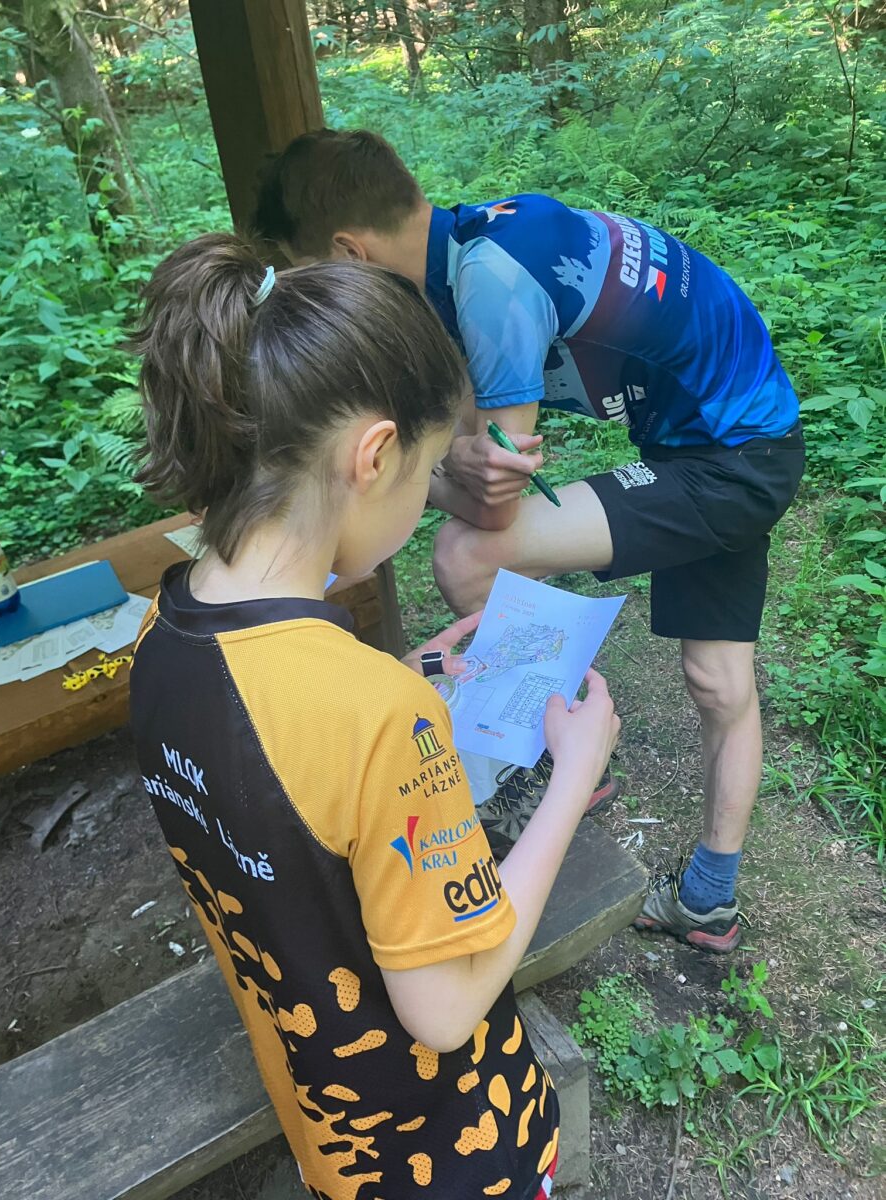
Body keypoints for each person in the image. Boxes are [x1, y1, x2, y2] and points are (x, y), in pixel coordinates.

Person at [128, 234, 619, 1200]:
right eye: (429, 472)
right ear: (375, 455)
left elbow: (273, 770)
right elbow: (445, 1008)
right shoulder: (381, 718)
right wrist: (572, 777)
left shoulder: (161, 633)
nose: (427, 501)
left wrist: (394, 673)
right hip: (454, 1157)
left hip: (328, 1134)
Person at [253, 129, 806, 955]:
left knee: (465, 555)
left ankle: (557, 759)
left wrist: (402, 473)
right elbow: (468, 434)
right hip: (738, 440)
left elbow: (494, 504)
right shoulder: (479, 238)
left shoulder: (490, 284)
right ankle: (707, 900)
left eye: (320, 278)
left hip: (728, 462)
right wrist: (455, 459)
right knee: (718, 681)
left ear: (348, 251)